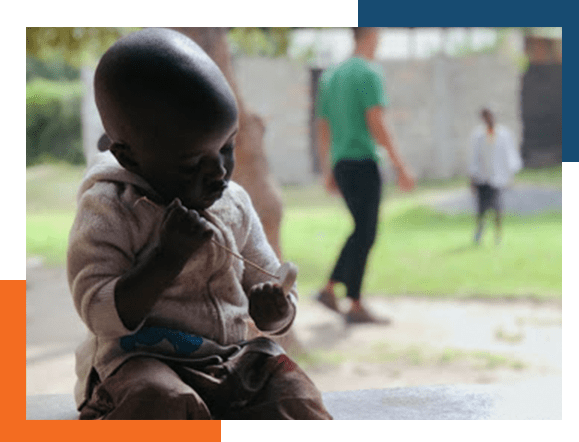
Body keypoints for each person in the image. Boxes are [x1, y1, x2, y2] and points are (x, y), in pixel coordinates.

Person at [67, 28, 331, 420]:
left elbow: (268, 278)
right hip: (136, 362)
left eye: (226, 148)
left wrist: (275, 310)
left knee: (294, 391)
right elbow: (99, 313)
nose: (218, 173)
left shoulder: (234, 203)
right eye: (192, 163)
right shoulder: (109, 208)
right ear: (129, 157)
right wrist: (165, 257)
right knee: (162, 401)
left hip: (228, 358)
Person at [315, 27, 414, 324]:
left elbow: (323, 128)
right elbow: (377, 123)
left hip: (343, 165)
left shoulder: (330, 77)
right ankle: (353, 303)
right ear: (371, 35)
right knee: (365, 231)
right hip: (363, 162)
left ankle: (332, 289)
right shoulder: (369, 73)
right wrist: (401, 166)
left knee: (361, 229)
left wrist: (327, 169)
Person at [469, 106, 522, 245]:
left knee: (497, 209)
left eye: (490, 115)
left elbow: (509, 155)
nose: (488, 119)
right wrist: (472, 177)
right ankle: (479, 233)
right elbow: (474, 157)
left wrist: (510, 174)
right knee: (481, 210)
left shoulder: (503, 134)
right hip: (482, 178)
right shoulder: (478, 135)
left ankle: (498, 235)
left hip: (497, 178)